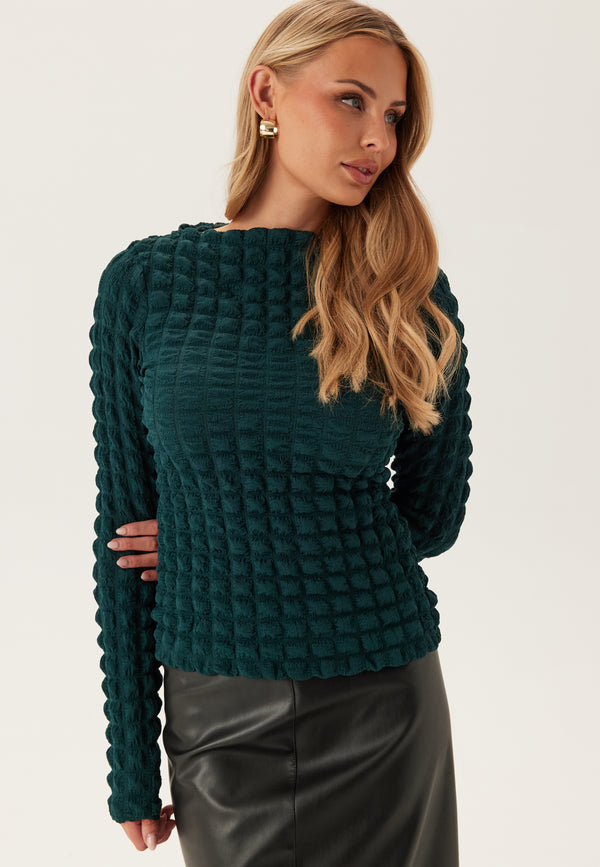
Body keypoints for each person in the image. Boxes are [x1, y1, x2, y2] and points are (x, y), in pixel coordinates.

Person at [88, 0, 474, 864]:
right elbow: (123, 534)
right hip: (217, 705)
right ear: (266, 93)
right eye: (351, 100)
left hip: (382, 698)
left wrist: (236, 539)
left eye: (394, 116)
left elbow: (432, 516)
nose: (376, 137)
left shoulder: (408, 289)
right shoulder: (146, 284)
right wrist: (129, 762)